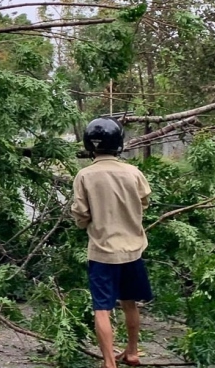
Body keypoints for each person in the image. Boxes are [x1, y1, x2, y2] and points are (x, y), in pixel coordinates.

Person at [72, 117, 153, 368]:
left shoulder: (84, 175)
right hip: (132, 251)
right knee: (130, 303)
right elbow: (144, 202)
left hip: (102, 254)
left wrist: (88, 223)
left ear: (90, 144)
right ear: (119, 143)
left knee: (102, 309)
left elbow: (81, 215)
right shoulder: (133, 173)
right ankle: (132, 352)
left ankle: (109, 363)